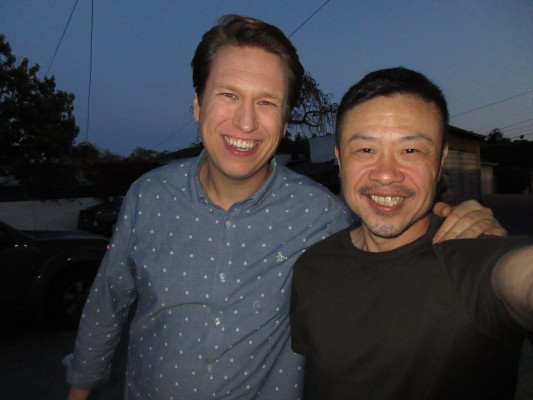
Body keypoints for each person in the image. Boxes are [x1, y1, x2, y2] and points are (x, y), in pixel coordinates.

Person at [65, 16, 505, 400]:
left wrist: (465, 227)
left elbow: (394, 236)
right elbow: (107, 304)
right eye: (228, 95)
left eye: (267, 102)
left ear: (285, 119)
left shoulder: (324, 216)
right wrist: (79, 390)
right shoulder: (147, 197)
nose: (246, 122)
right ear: (198, 104)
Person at [290, 67, 533, 400]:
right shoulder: (312, 267)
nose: (386, 174)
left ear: (440, 161)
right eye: (365, 150)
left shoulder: (473, 257)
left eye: (411, 150)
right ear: (340, 159)